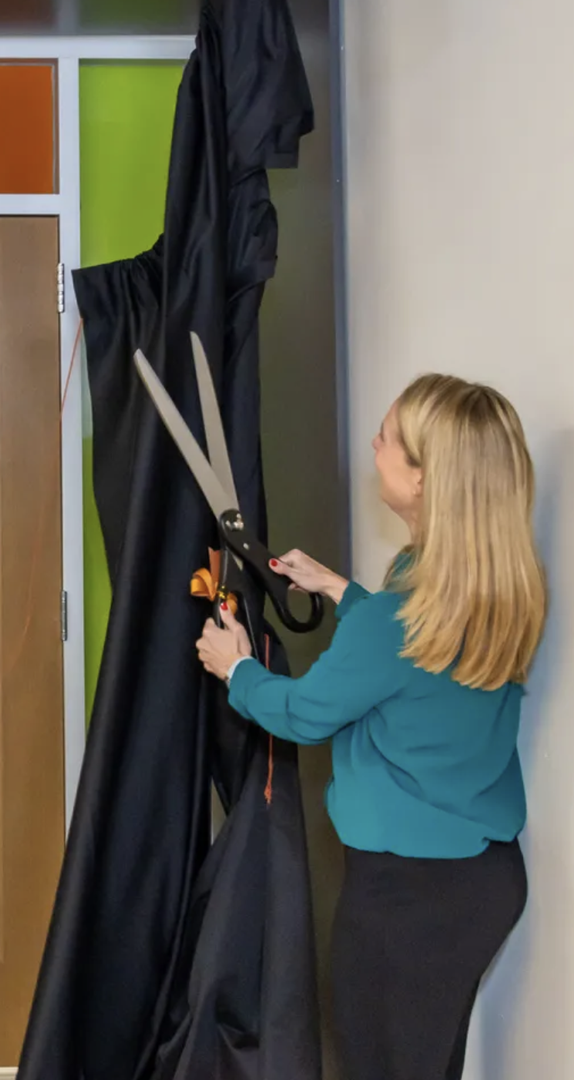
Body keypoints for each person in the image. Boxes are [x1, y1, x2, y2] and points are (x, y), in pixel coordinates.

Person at [195, 373, 542, 1080]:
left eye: (389, 438)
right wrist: (341, 591)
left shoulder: (399, 620)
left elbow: (304, 714)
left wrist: (236, 669)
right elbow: (419, 670)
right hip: (483, 883)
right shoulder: (493, 588)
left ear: (423, 483)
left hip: (405, 901)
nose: (375, 444)